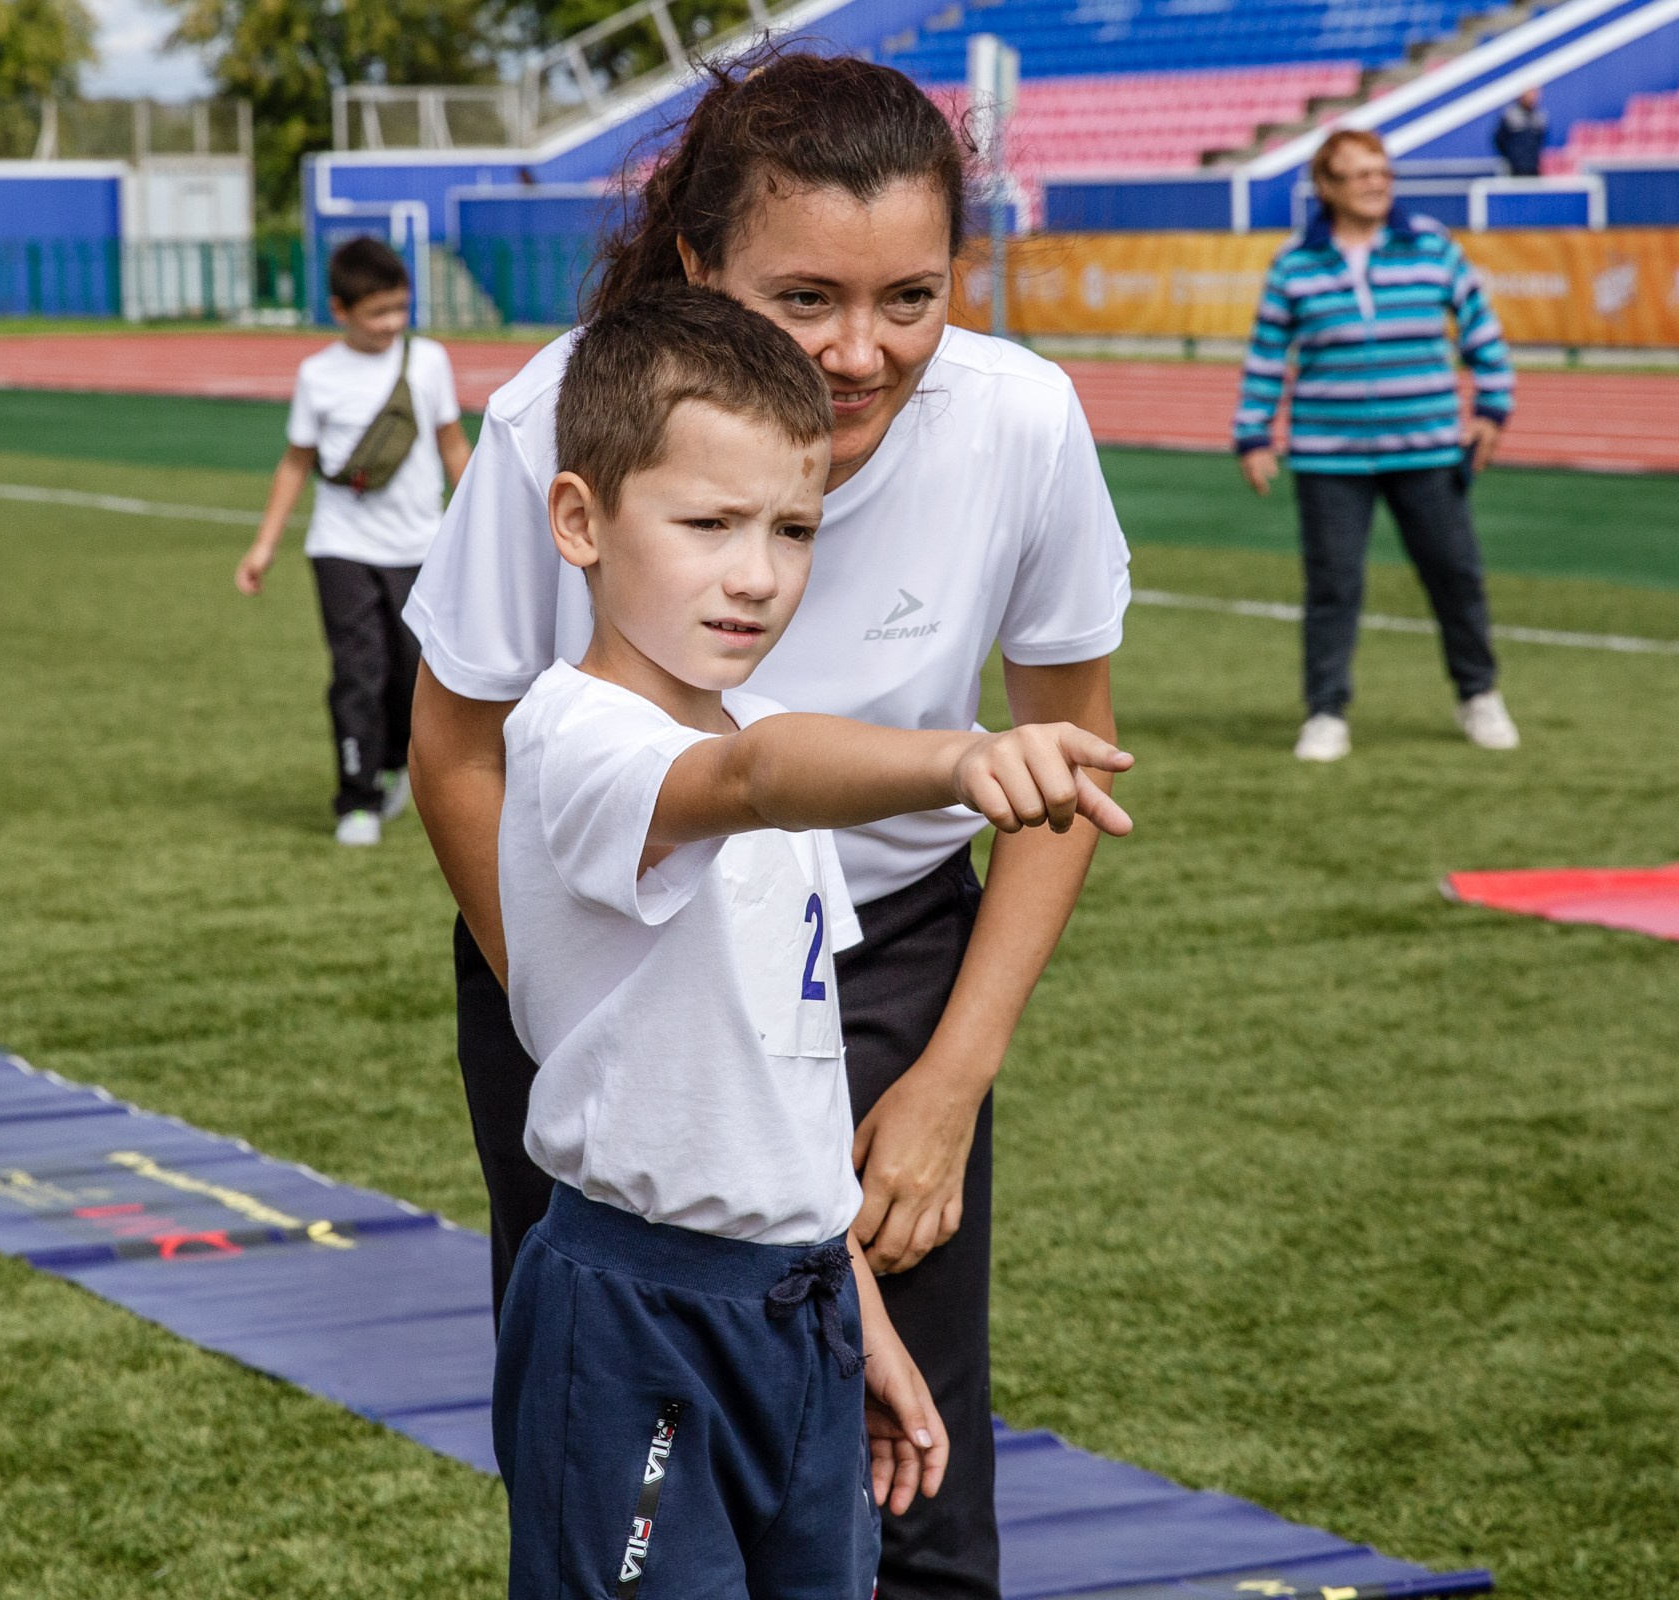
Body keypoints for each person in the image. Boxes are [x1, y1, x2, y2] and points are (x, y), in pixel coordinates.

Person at [408, 48, 1132, 1600]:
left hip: (862, 975)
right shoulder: (562, 422)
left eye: (913, 299)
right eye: (804, 298)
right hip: (607, 983)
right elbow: (464, 749)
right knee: (633, 1512)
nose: (862, 353)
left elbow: (1072, 763)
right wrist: (582, 1025)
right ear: (694, 264)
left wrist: (950, 1079)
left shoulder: (1019, 424)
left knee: (906, 1479)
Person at [1235, 127, 1521, 764]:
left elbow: (1482, 330)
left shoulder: (1431, 246)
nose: (1376, 182)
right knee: (1334, 587)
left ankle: (1479, 694)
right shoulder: (1294, 263)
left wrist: (1493, 409)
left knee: (1455, 577)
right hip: (1328, 455)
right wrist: (1254, 433)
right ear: (1327, 186)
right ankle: (1326, 711)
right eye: (1360, 173)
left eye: (1383, 171)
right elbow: (1266, 357)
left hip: (1429, 449)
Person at [237, 235, 471, 846]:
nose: (393, 323)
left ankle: (395, 763)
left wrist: (480, 520)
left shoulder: (428, 362)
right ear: (340, 310)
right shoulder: (318, 375)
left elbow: (451, 444)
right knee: (357, 673)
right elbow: (295, 464)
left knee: (412, 673)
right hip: (340, 547)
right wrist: (263, 546)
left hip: (421, 547)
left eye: (401, 308)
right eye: (377, 313)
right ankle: (356, 798)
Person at [1494, 86, 1547, 178]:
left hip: (1533, 168)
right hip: (1514, 169)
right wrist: (1512, 157)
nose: (1532, 98)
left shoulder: (1539, 117)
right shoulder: (1510, 116)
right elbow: (1499, 139)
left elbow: (1540, 140)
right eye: (1529, 94)